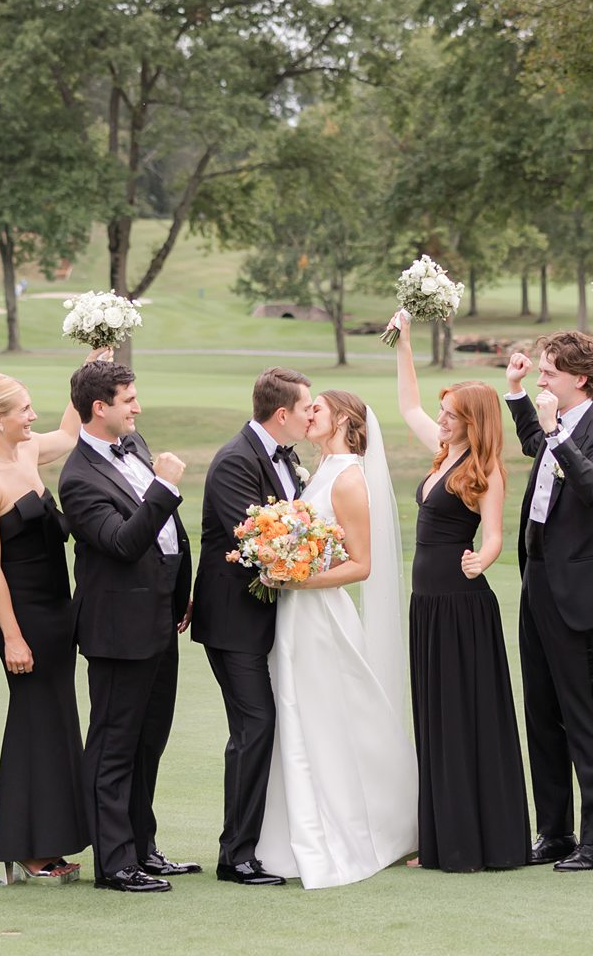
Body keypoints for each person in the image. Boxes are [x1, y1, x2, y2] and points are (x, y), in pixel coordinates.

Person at [255, 389, 419, 887]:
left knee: (326, 715)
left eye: (317, 409)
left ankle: (356, 827)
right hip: (295, 613)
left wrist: (296, 578)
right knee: (297, 713)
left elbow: (361, 565)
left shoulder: (349, 479)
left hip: (320, 613)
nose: (308, 415)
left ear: (344, 419)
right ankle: (292, 830)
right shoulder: (317, 471)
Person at [389, 312, 528, 873]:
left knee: (462, 717)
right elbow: (407, 406)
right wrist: (404, 344)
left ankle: (471, 843)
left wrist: (481, 561)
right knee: (433, 716)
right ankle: (442, 837)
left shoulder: (485, 468)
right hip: (426, 605)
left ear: (472, 421)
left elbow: (495, 535)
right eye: (442, 414)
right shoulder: (442, 452)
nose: (441, 422)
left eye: (451, 416)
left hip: (460, 602)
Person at [0, 359, 103, 882]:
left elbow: (69, 431)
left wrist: (88, 371)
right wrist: (13, 636)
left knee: (57, 719)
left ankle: (52, 838)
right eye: (23, 410)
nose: (31, 416)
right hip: (21, 616)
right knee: (33, 721)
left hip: (57, 607)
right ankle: (23, 845)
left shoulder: (27, 450)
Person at [56, 360, 196, 894]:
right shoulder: (77, 478)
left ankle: (142, 846)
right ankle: (114, 864)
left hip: (160, 618)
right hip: (118, 630)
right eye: (128, 398)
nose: (137, 406)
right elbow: (122, 542)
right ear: (100, 407)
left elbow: (168, 540)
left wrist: (181, 596)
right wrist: (163, 486)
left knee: (148, 742)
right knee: (114, 745)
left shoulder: (134, 446)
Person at [502, 330, 593, 872]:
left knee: (584, 712)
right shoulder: (557, 427)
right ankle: (554, 830)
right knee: (541, 711)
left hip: (576, 590)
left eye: (549, 372)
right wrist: (516, 393)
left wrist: (555, 430)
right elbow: (536, 442)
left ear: (580, 379)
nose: (542, 379)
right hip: (537, 580)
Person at [192, 366, 313, 886]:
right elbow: (258, 544)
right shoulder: (234, 462)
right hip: (233, 619)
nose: (313, 415)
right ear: (282, 414)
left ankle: (265, 841)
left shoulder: (288, 458)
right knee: (254, 725)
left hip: (275, 617)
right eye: (307, 408)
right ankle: (235, 855)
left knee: (268, 723)